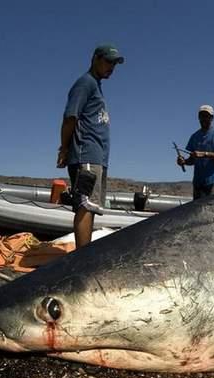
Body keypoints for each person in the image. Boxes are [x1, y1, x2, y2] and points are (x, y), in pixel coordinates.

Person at [56, 44, 124, 248]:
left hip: (97, 157)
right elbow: (70, 117)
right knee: (85, 205)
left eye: (114, 63)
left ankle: (83, 254)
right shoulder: (85, 83)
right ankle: (81, 258)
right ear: (95, 58)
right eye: (108, 61)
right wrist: (64, 148)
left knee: (91, 205)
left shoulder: (96, 85)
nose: (111, 67)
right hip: (86, 154)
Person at [177, 105, 214, 199]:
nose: (203, 119)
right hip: (197, 183)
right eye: (201, 116)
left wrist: (204, 154)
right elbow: (192, 160)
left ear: (212, 118)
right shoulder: (194, 136)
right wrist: (183, 161)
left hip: (212, 183)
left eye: (206, 116)